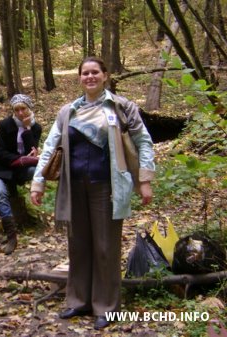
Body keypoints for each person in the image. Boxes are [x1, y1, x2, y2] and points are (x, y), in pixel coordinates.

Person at [30, 56, 155, 330]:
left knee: (105, 246)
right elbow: (50, 146)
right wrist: (38, 182)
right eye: (84, 73)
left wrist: (144, 180)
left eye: (95, 72)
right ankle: (77, 301)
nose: (90, 77)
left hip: (108, 187)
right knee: (78, 245)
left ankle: (107, 307)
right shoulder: (68, 112)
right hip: (73, 187)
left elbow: (144, 142)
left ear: (105, 75)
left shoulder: (122, 107)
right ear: (79, 78)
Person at [0, 94, 42, 254]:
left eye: (23, 108)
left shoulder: (36, 128)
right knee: (1, 193)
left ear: (29, 109)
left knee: (36, 171)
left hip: (18, 169)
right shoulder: (5, 125)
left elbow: (32, 149)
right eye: (16, 110)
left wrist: (27, 128)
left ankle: (23, 190)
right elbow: (1, 151)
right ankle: (11, 236)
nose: (20, 113)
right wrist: (20, 158)